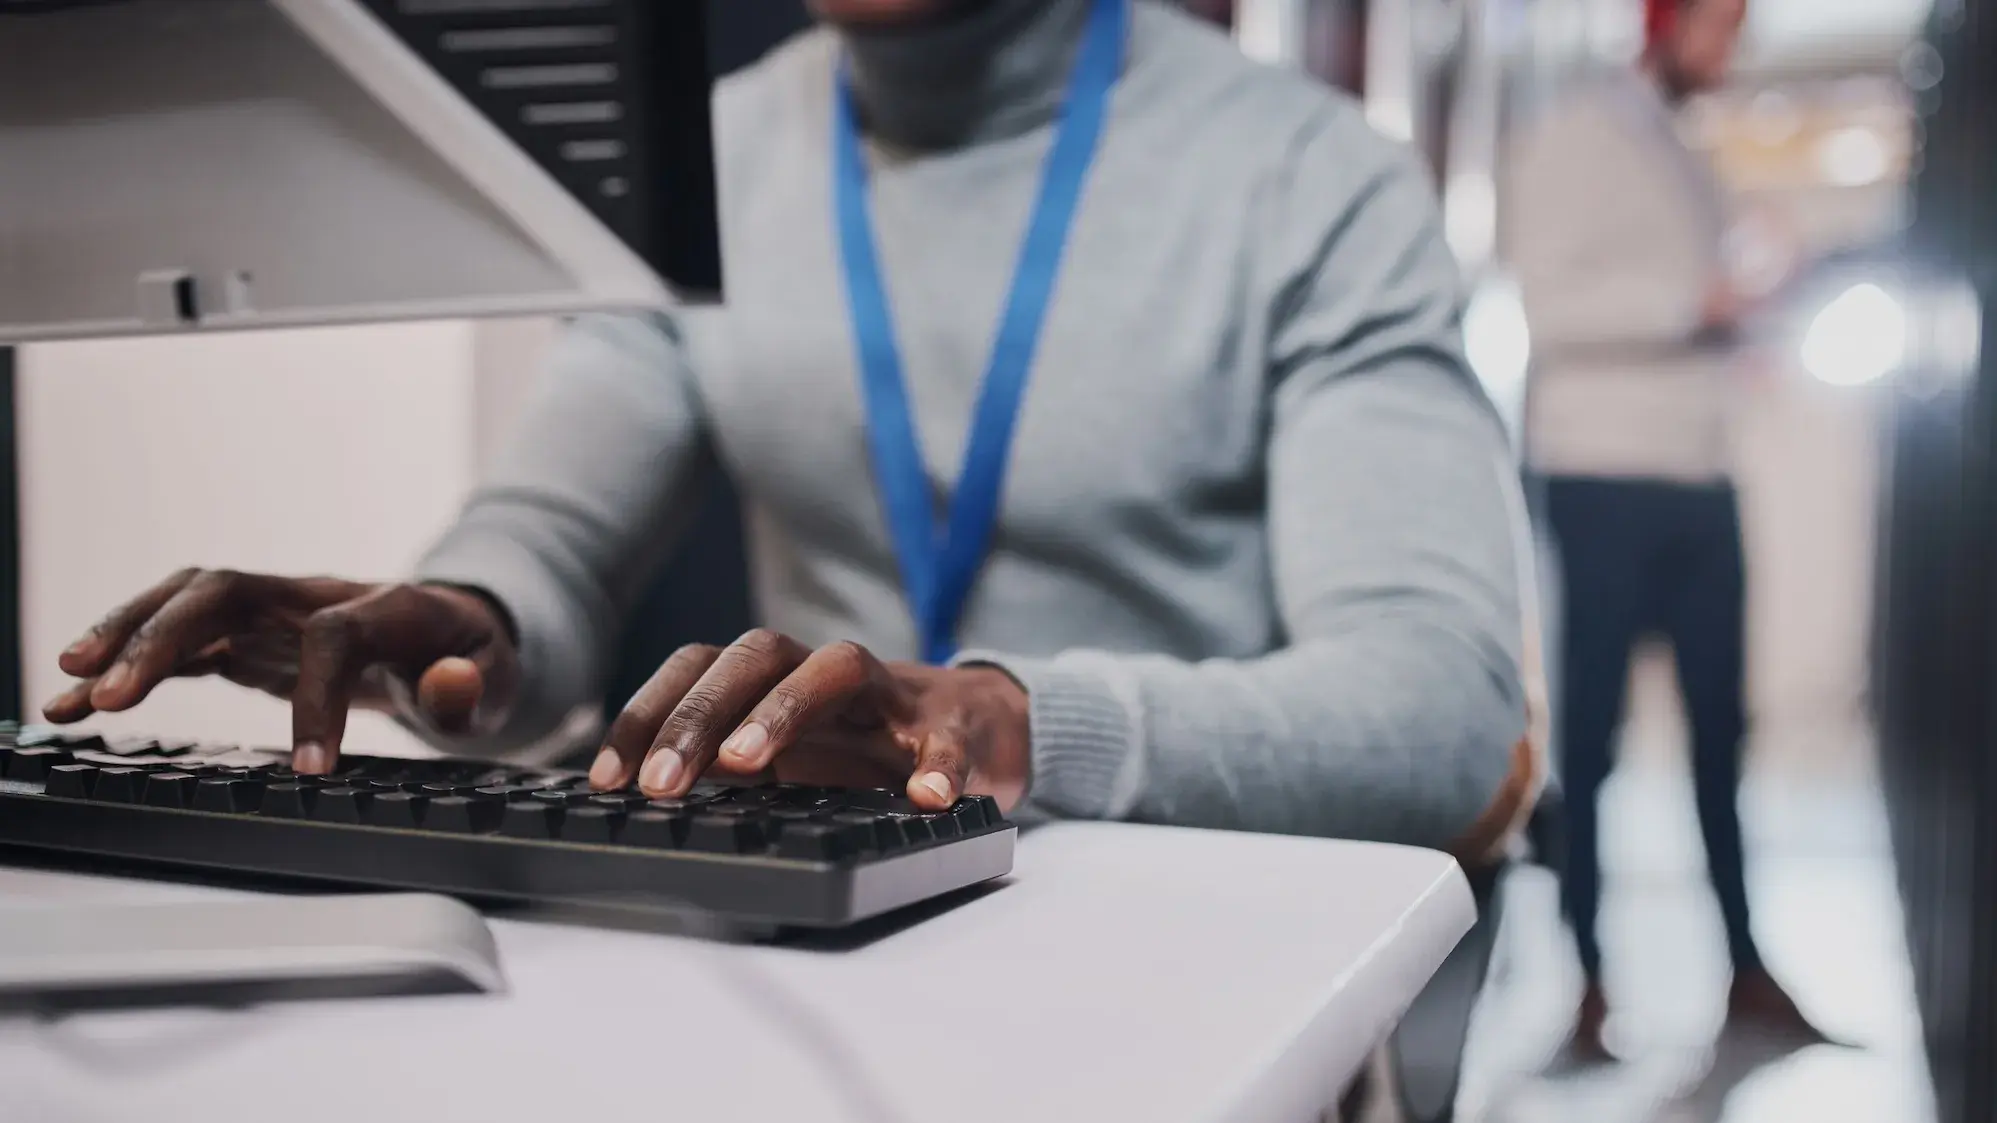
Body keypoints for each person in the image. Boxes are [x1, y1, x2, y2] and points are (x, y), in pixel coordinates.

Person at [43, 0, 1532, 853]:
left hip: (1181, 906)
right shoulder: (719, 152)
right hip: (843, 911)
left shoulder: (1307, 178)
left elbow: (1437, 704)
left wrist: (1014, 720)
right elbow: (557, 530)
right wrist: (462, 618)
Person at [1508, 0, 1825, 1060]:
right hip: (1601, 476)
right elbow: (1552, 306)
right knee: (1588, 744)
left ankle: (1741, 965)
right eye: (1718, 26)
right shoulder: (1574, 134)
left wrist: (1736, 325)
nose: (1731, 50)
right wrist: (1697, 299)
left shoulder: (1685, 153)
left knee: (1718, 740)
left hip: (1696, 474)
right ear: (1665, 21)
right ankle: (1584, 984)